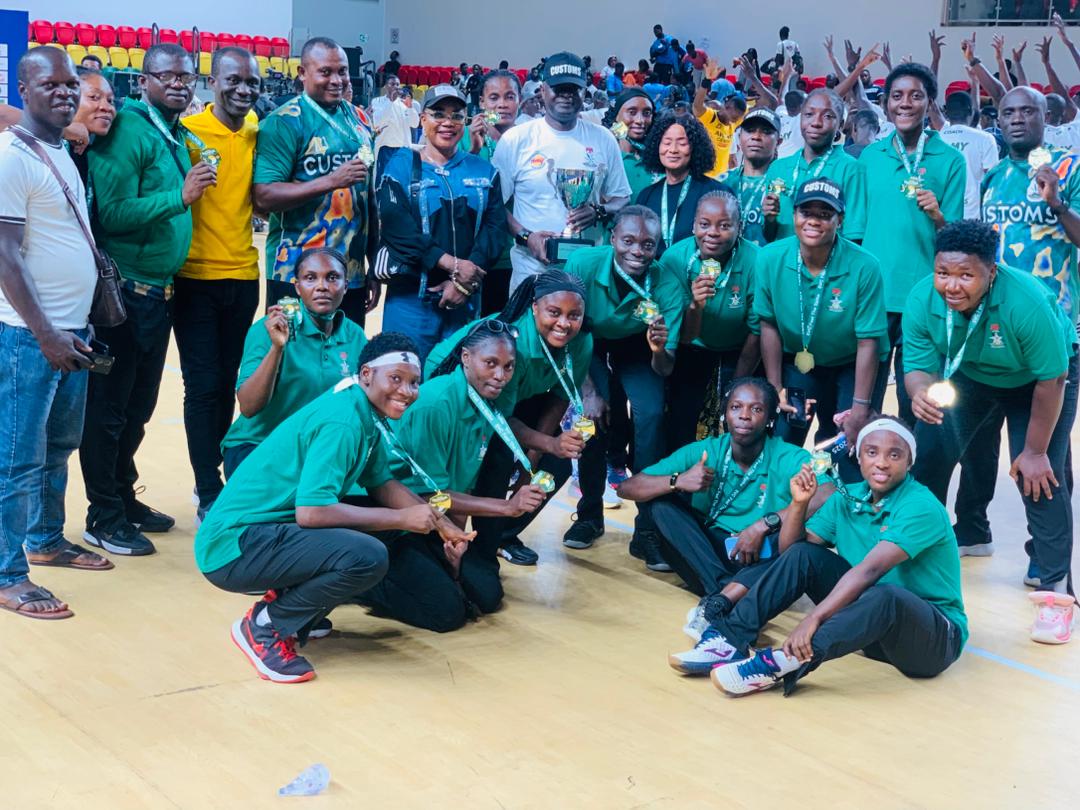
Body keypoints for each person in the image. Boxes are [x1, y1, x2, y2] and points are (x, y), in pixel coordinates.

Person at [196, 333, 473, 683]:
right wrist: (401, 518)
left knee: (379, 531)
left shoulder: (364, 410)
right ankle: (264, 627)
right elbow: (311, 513)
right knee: (368, 554)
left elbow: (382, 484)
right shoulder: (344, 420)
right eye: (396, 379)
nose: (407, 391)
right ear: (367, 374)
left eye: (414, 382)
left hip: (261, 534)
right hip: (232, 547)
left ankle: (292, 612)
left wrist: (440, 523)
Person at [904, 221, 1077, 642]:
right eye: (944, 272)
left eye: (967, 275)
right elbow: (917, 364)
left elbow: (1051, 380)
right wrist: (921, 392)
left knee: (1039, 476)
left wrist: (1034, 451)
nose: (952, 285)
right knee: (927, 459)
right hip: (972, 374)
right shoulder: (921, 297)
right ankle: (917, 560)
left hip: (1040, 380)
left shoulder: (1025, 302)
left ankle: (1056, 592)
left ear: (991, 271)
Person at [705, 419, 967, 696]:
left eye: (895, 454)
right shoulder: (847, 497)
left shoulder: (920, 506)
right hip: (868, 626)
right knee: (805, 554)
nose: (882, 462)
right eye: (872, 452)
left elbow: (869, 571)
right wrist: (799, 504)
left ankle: (783, 661)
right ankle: (729, 638)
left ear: (910, 462)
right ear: (858, 455)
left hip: (931, 641)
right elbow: (792, 553)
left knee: (886, 594)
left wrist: (813, 619)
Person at [82, 43, 214, 555]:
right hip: (124, 294)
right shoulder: (130, 129)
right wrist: (178, 197)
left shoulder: (173, 132)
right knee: (111, 409)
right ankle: (103, 516)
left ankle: (122, 494)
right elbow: (113, 215)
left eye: (187, 75)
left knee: (138, 407)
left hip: (158, 293)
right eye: (168, 75)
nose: (180, 83)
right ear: (144, 81)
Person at [0, 48, 113, 621]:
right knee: (17, 457)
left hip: (72, 330)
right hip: (29, 336)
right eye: (52, 84)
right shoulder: (11, 157)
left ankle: (45, 540)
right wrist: (44, 332)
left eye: (72, 84)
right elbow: (4, 253)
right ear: (24, 88)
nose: (66, 93)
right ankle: (5, 572)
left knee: (58, 446)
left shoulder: (57, 150)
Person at [619, 378, 832, 669]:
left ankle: (717, 603)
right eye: (736, 407)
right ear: (725, 414)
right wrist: (677, 481)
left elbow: (828, 492)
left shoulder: (787, 456)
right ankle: (727, 596)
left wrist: (764, 524)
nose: (744, 415)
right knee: (659, 505)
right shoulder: (707, 450)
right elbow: (628, 487)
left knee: (794, 549)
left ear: (770, 418)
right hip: (708, 553)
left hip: (759, 557)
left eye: (756, 409)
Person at [958, 86, 1080, 567]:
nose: (1016, 119)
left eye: (1027, 111)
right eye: (1007, 111)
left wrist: (1057, 204)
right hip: (992, 336)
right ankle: (971, 530)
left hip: (1053, 335)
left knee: (1043, 454)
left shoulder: (1069, 168)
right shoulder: (992, 178)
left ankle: (1049, 568)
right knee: (974, 444)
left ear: (1045, 118)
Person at [362, 322, 549, 630]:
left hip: (435, 521)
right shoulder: (436, 403)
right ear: (465, 357)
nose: (500, 375)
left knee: (488, 594)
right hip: (394, 519)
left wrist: (455, 547)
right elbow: (429, 494)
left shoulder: (486, 403)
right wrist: (507, 507)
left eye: (508, 366)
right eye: (490, 363)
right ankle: (361, 581)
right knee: (447, 612)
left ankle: (429, 571)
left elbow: (456, 482)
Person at [428, 270, 592, 566]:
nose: (564, 323)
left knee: (557, 467)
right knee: (495, 461)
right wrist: (547, 444)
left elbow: (560, 394)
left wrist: (537, 456)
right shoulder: (513, 346)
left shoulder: (581, 342)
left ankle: (502, 535)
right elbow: (500, 421)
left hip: (518, 397)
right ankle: (478, 551)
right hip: (465, 392)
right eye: (554, 312)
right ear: (534, 308)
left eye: (574, 315)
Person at [562, 206, 685, 569]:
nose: (637, 251)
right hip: (590, 343)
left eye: (648, 244)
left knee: (650, 416)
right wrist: (588, 393)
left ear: (658, 247)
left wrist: (659, 347)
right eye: (628, 240)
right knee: (595, 419)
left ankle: (646, 529)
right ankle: (589, 515)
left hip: (639, 347)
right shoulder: (583, 265)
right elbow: (567, 336)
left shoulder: (667, 284)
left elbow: (665, 368)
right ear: (612, 238)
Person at [173, 47, 262, 523]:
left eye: (252, 82)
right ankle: (207, 486)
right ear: (213, 80)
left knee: (230, 384)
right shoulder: (186, 133)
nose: (243, 89)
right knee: (202, 387)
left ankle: (219, 476)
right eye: (234, 80)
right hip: (194, 279)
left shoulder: (257, 133)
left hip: (244, 277)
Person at [859, 64, 966, 430]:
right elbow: (855, 233)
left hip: (923, 297)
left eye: (916, 96)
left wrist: (938, 215)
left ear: (929, 103)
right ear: (886, 104)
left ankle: (912, 480)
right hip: (872, 298)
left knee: (915, 404)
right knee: (864, 402)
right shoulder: (870, 157)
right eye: (897, 96)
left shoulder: (951, 160)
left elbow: (957, 240)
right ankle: (863, 482)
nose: (906, 103)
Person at [756, 178, 889, 467]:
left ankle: (838, 504)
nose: (814, 221)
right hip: (801, 360)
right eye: (806, 212)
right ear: (793, 215)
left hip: (852, 362)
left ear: (840, 220)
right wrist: (774, 386)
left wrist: (860, 407)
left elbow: (868, 342)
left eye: (825, 215)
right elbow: (768, 325)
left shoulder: (865, 266)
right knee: (785, 435)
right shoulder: (769, 259)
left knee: (847, 443)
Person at [254, 37, 378, 326]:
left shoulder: (361, 120)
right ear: (302, 73)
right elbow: (264, 196)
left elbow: (368, 199)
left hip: (349, 273)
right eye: (326, 72)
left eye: (342, 71)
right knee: (291, 359)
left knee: (344, 362)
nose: (337, 80)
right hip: (295, 272)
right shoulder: (282, 122)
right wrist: (331, 181)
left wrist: (371, 265)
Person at [376, 85, 505, 362]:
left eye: (456, 116)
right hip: (410, 300)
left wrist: (462, 284)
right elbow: (397, 228)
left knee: (457, 387)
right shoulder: (400, 164)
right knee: (402, 383)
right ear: (422, 119)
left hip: (466, 300)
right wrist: (451, 265)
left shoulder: (484, 170)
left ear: (466, 122)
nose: (448, 123)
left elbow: (495, 230)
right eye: (438, 114)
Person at [491, 52, 631, 292]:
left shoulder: (604, 139)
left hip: (587, 271)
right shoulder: (516, 139)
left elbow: (622, 198)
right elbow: (495, 205)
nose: (566, 96)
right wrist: (527, 237)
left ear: (584, 92)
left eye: (574, 89)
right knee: (529, 329)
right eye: (559, 88)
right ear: (543, 90)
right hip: (532, 271)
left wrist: (598, 210)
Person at [221, 248, 367, 478]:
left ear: (346, 285)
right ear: (297, 287)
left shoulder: (355, 336)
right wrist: (277, 348)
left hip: (319, 449)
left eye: (332, 277)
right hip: (260, 446)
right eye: (310, 278)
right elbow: (248, 407)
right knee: (313, 505)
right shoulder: (267, 329)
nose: (322, 286)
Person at [662, 192, 761, 449]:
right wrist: (696, 306)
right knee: (682, 423)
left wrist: (735, 388)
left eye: (725, 225)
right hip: (693, 348)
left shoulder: (757, 261)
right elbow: (683, 336)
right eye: (704, 224)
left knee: (737, 420)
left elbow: (756, 333)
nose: (713, 233)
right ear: (694, 225)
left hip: (738, 350)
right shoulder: (675, 259)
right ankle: (680, 484)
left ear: (739, 228)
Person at [763, 88, 866, 243]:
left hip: (827, 265)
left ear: (841, 125)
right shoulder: (778, 168)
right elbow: (769, 236)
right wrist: (769, 220)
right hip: (784, 264)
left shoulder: (851, 169)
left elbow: (854, 238)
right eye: (809, 114)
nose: (816, 123)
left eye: (827, 116)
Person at [467, 70, 522, 314]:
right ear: (481, 102)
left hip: (517, 254)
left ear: (520, 100)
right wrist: (474, 151)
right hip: (474, 256)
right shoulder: (463, 138)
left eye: (510, 96)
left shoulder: (531, 140)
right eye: (494, 97)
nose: (502, 104)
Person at [635, 111, 722, 256]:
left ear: (695, 148)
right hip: (655, 276)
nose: (673, 150)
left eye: (682, 143)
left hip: (697, 275)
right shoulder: (647, 195)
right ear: (657, 147)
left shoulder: (715, 193)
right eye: (667, 143)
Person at [722, 107, 781, 247]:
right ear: (739, 137)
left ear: (779, 142)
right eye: (750, 130)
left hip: (765, 266)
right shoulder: (722, 182)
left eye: (766, 132)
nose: (756, 136)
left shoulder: (787, 185)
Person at [938, 91, 998, 220]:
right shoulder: (985, 138)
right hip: (975, 215)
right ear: (971, 112)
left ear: (946, 113)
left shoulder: (935, 140)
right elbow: (993, 179)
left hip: (941, 215)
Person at [604, 89, 657, 200]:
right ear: (616, 116)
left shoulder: (659, 155)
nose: (640, 120)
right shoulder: (604, 157)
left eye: (646, 113)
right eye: (632, 112)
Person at [693, 78, 747, 178]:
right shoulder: (711, 117)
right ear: (726, 107)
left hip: (720, 178)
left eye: (738, 118)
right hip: (703, 175)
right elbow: (697, 106)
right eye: (734, 117)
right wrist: (705, 83)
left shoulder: (733, 122)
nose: (735, 121)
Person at [776, 89, 806, 159]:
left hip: (775, 164)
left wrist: (786, 78)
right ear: (802, 106)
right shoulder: (801, 120)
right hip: (792, 167)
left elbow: (780, 100)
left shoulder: (779, 115)